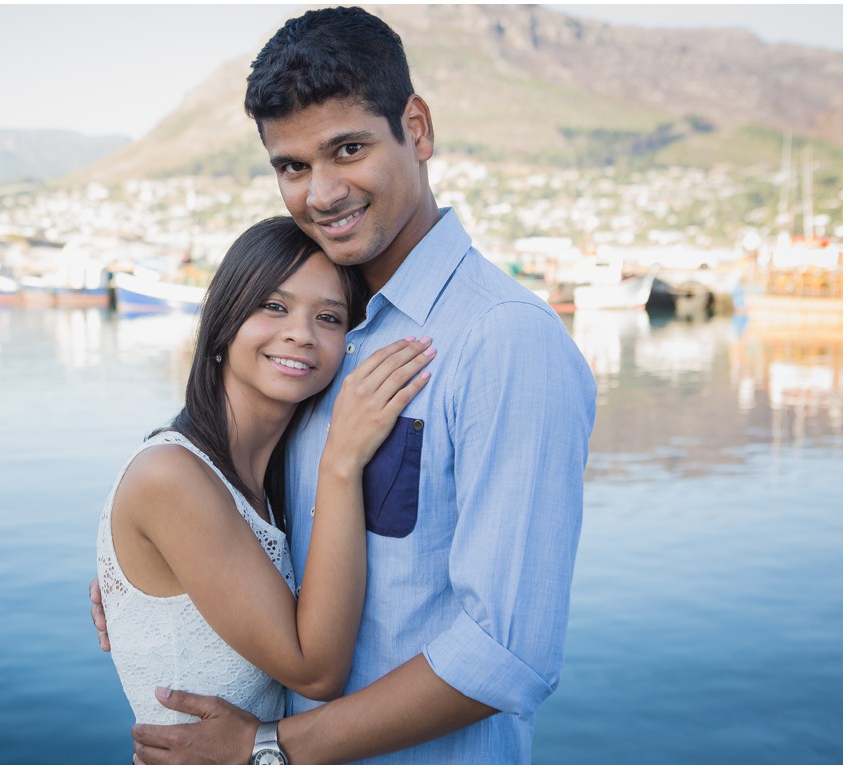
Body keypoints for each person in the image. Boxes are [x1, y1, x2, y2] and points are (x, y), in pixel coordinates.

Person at [91, 6, 597, 764]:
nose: (321, 193)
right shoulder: (329, 329)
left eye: (348, 149)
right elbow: (225, 476)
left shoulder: (504, 340)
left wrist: (269, 747)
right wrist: (151, 574)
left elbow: (505, 651)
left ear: (417, 130)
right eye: (292, 166)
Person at [95, 217, 436, 738]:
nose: (301, 333)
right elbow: (315, 672)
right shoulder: (171, 476)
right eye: (274, 306)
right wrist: (342, 461)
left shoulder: (271, 473)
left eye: (328, 317)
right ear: (225, 319)